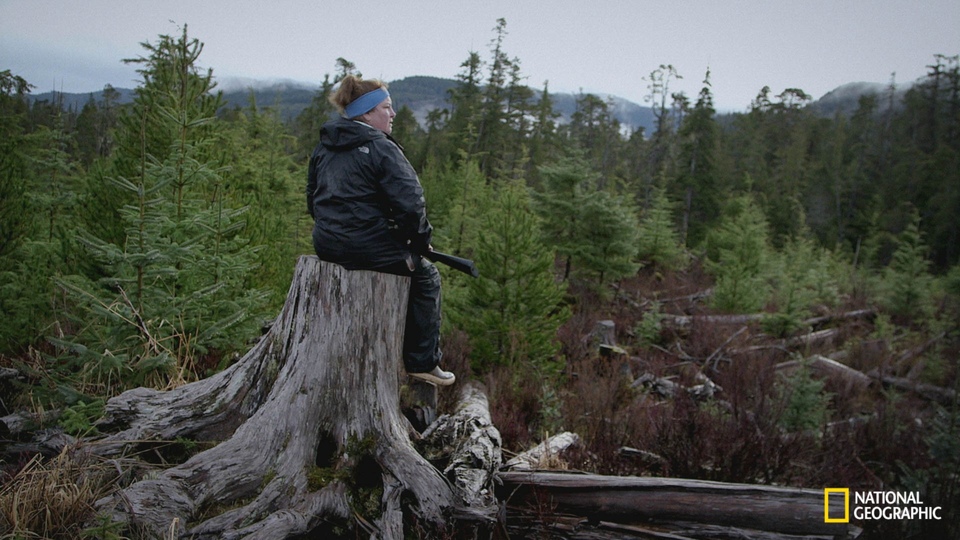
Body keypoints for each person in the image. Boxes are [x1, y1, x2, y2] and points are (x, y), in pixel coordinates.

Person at [306, 75, 455, 387]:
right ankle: (422, 363)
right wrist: (420, 242)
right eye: (386, 107)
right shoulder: (380, 148)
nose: (393, 113)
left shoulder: (325, 146)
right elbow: (412, 204)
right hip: (366, 247)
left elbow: (312, 199)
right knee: (426, 276)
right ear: (367, 113)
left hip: (326, 244)